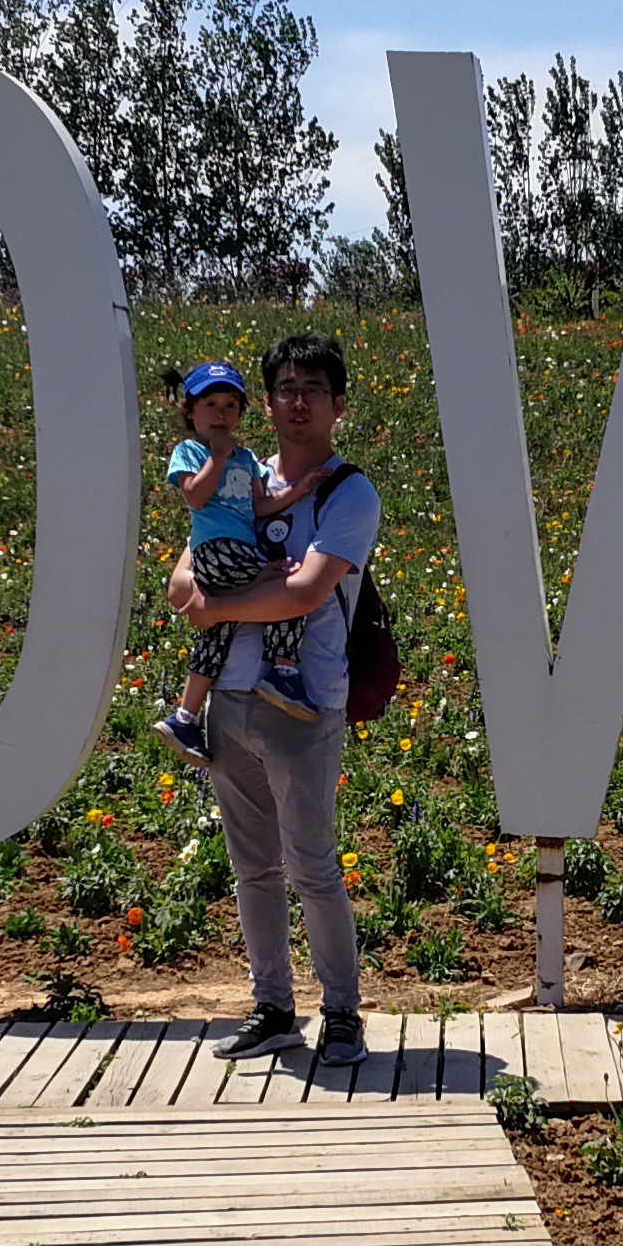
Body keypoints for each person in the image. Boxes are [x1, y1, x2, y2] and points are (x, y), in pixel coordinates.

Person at [174, 331, 378, 1063]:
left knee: (314, 864)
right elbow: (180, 579)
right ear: (266, 402)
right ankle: (273, 1007)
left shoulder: (349, 491)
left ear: (337, 406)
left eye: (312, 391)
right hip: (229, 697)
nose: (297, 402)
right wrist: (210, 593)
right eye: (286, 389)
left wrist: (222, 605)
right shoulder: (241, 477)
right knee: (253, 865)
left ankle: (344, 1013)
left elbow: (306, 591)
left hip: (305, 702)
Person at [155, 359, 314, 764]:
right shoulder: (190, 451)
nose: (221, 413)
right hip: (215, 549)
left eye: (230, 405)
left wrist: (301, 489)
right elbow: (195, 496)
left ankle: (185, 716)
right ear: (190, 411)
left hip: (240, 549)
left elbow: (262, 506)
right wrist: (217, 458)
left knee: (217, 635)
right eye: (210, 404)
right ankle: (283, 671)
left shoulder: (246, 459)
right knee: (284, 590)